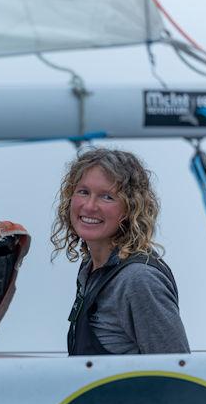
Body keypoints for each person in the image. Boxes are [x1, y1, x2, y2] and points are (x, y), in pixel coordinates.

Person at [51, 147, 190, 355]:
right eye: (83, 192)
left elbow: (179, 374)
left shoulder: (139, 279)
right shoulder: (90, 270)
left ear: (131, 208)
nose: (89, 206)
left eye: (106, 197)